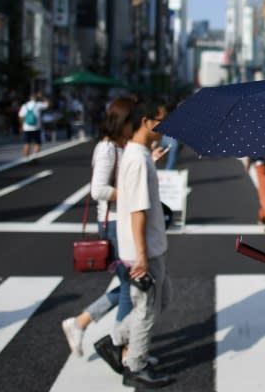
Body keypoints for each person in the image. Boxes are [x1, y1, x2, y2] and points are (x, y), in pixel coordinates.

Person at [96, 97, 173, 388]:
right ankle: (136, 366)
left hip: (150, 245)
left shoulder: (137, 154)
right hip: (146, 250)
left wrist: (152, 162)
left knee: (161, 300)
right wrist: (141, 255)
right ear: (146, 122)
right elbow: (138, 210)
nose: (165, 126)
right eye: (161, 120)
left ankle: (115, 341)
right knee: (146, 308)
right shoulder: (138, 161)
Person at [61, 96, 135, 358]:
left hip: (122, 221)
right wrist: (129, 192)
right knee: (131, 286)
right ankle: (120, 345)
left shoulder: (121, 146)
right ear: (121, 122)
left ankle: (81, 323)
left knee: (132, 284)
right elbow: (98, 189)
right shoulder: (106, 149)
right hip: (113, 224)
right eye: (132, 121)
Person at [18, 92, 49, 158]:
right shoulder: (38, 104)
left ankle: (26, 158)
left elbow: (21, 116)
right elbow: (47, 104)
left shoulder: (24, 105)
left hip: (26, 127)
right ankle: (35, 156)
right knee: (37, 142)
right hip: (36, 127)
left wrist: (21, 126)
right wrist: (42, 97)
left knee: (26, 143)